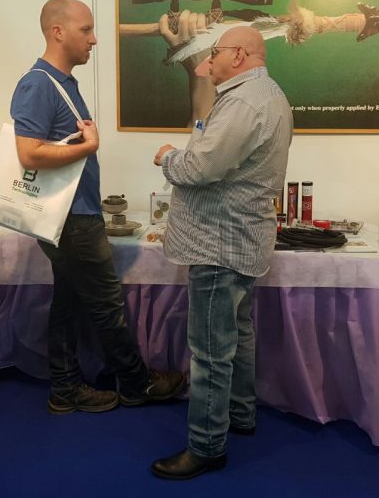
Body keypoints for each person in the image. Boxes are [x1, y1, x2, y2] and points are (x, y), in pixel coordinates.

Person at [11, 0, 185, 415]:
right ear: (58, 32)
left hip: (75, 215)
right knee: (106, 305)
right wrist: (88, 147)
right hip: (70, 219)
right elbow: (29, 154)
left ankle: (65, 388)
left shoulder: (61, 83)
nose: (94, 40)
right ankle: (136, 383)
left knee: (69, 302)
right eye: (86, 30)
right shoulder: (38, 84)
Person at [151, 25, 293, 480]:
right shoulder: (265, 95)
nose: (207, 61)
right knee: (238, 332)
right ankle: (240, 413)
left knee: (211, 350)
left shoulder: (244, 102)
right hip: (239, 239)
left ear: (239, 55)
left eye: (214, 52)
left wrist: (167, 156)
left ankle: (207, 445)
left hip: (219, 243)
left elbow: (200, 167)